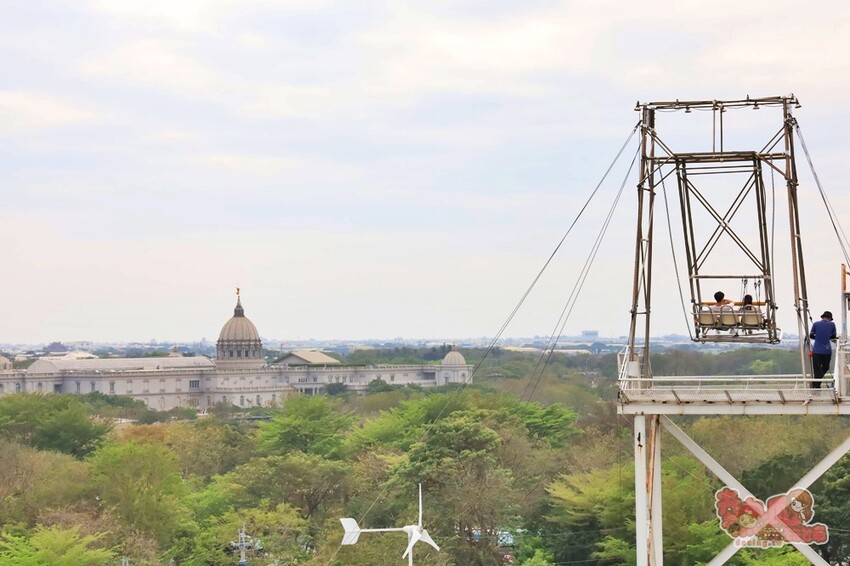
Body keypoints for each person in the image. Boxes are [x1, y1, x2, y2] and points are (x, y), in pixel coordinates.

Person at [809, 311, 837, 389]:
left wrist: (818, 338)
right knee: (825, 367)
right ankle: (816, 385)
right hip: (827, 351)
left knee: (817, 369)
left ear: (822, 317)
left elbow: (811, 335)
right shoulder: (832, 324)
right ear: (829, 318)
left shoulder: (815, 324)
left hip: (817, 350)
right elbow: (833, 336)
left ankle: (816, 385)